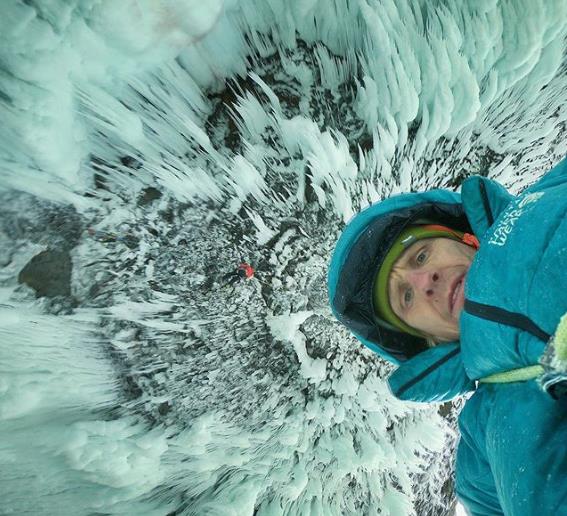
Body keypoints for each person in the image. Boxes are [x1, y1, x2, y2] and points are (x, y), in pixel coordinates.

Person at [328, 157, 567, 515]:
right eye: (405, 298)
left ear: (467, 237)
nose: (425, 282)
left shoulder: (551, 186)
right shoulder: (479, 460)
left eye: (421, 254)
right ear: (429, 342)